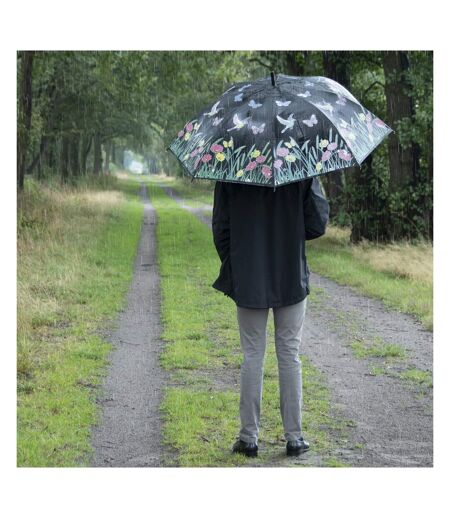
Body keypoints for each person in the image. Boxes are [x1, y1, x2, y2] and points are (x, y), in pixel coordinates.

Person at [211, 176, 330, 458]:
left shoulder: (232, 166)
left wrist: (237, 261)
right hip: (290, 273)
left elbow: (221, 228)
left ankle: (248, 439)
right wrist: (291, 232)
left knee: (252, 355)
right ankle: (295, 438)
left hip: (249, 274)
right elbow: (317, 222)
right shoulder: (300, 165)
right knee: (289, 354)